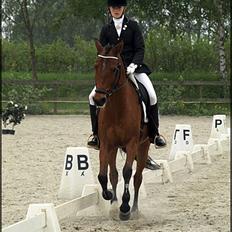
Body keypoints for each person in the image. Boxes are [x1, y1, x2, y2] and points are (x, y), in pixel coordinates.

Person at [87, 0, 166, 156]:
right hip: (113, 72)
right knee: (91, 97)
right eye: (113, 7)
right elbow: (102, 53)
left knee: (151, 95)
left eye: (119, 7)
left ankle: (155, 134)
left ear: (124, 8)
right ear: (109, 9)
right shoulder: (106, 29)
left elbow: (140, 48)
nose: (116, 10)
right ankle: (96, 135)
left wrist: (134, 65)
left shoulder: (133, 26)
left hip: (134, 69)